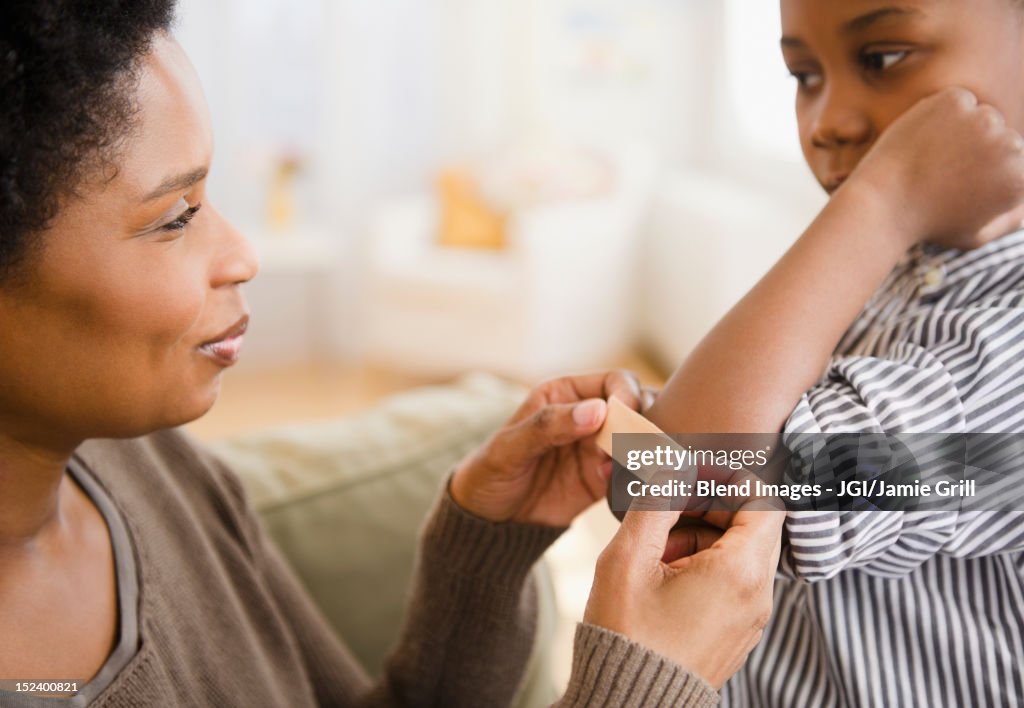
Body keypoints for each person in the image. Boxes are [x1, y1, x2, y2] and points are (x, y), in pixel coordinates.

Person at [0, 2, 784, 706]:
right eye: (176, 217)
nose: (241, 252)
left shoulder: (153, 469)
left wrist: (483, 549)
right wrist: (648, 687)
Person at [638, 0, 1024, 705]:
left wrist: (885, 199)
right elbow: (670, 474)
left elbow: (674, 485)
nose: (828, 122)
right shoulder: (886, 274)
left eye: (881, 58)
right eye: (804, 75)